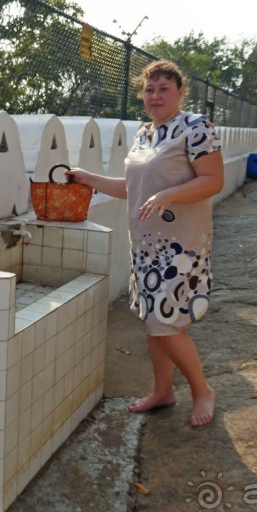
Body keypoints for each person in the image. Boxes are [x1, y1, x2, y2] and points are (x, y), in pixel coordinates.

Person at [65, 59, 223, 427]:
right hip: (146, 247)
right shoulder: (144, 134)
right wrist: (87, 178)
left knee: (163, 325)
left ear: (181, 93)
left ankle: (202, 390)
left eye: (164, 89)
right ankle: (163, 391)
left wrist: (170, 193)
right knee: (154, 320)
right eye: (150, 89)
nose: (156, 96)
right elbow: (131, 189)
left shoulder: (196, 129)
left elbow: (213, 180)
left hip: (181, 248)